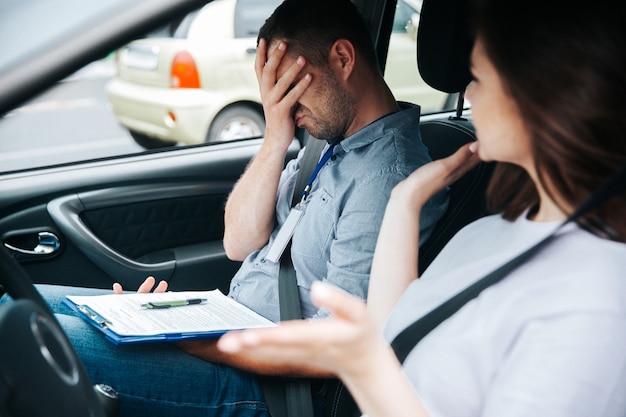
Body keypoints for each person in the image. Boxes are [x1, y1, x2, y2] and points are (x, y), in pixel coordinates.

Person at [11, 0, 448, 415]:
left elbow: (339, 345)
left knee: (17, 347)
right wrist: (276, 136)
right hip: (230, 333)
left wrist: (203, 342)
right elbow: (238, 242)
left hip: (274, 391)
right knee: (25, 302)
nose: (281, 103)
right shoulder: (328, 145)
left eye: (290, 85)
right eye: (272, 88)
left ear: (342, 59)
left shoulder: (387, 178)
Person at [216, 0, 626, 416]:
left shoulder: (596, 300)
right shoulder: (483, 236)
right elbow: (393, 341)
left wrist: (357, 362)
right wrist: (404, 203)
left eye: (479, 75)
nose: (466, 93)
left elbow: (378, 360)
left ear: (546, 94)